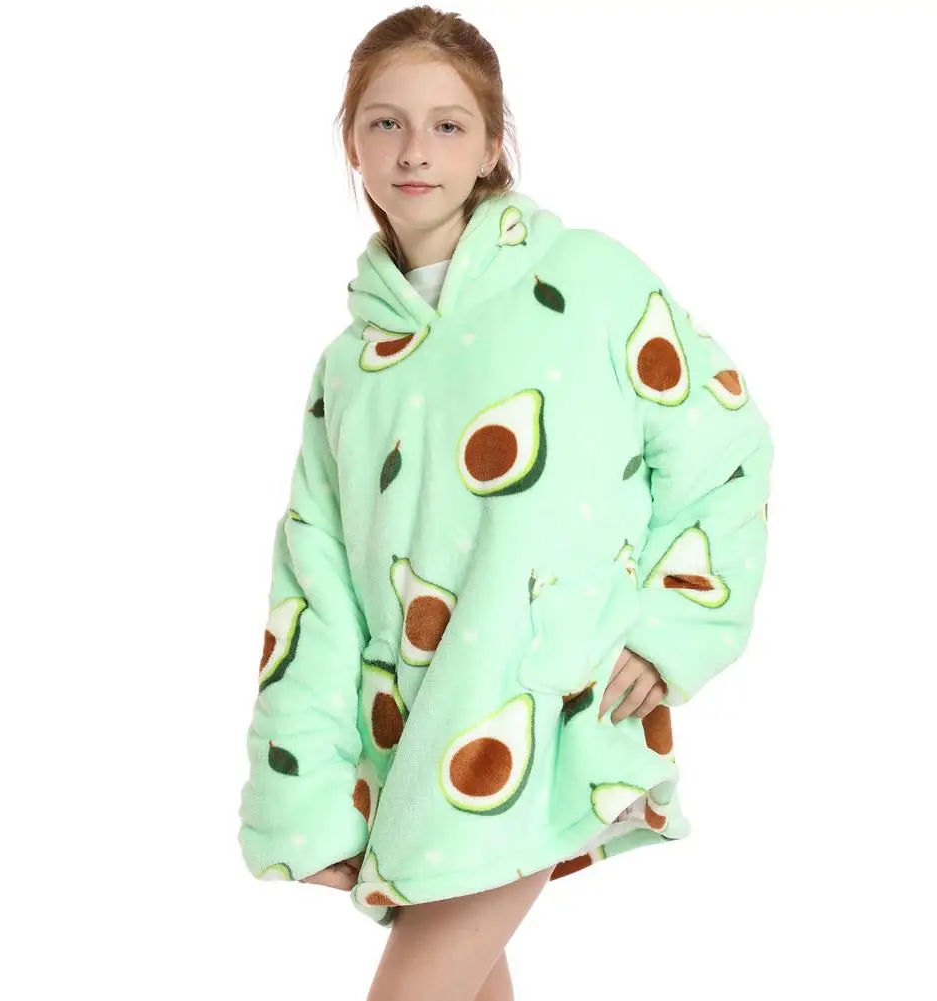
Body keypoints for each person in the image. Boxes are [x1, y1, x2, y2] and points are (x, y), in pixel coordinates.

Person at [237, 6, 773, 1000]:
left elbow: (723, 444)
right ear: (351, 142)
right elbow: (314, 580)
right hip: (412, 737)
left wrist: (671, 627)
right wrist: (303, 785)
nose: (414, 150)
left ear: (491, 145)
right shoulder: (347, 367)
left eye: (447, 125)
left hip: (555, 708)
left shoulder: (590, 279)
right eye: (385, 122)